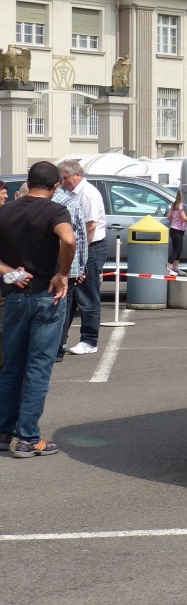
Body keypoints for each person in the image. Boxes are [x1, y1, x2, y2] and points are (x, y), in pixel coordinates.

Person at [0, 161, 76, 457]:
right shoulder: (55, 210)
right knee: (38, 368)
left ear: (29, 182)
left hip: (15, 295)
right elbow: (68, 239)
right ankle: (28, 438)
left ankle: (5, 431)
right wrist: (63, 272)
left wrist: (8, 270)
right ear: (57, 185)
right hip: (47, 294)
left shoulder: (6, 211)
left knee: (10, 368)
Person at [57, 159, 107, 356]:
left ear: (77, 175)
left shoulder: (88, 193)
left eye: (66, 178)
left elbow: (90, 227)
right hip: (78, 248)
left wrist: (80, 254)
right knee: (70, 294)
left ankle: (89, 340)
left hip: (91, 247)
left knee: (87, 294)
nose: (63, 182)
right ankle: (61, 339)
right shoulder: (69, 193)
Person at [54, 181, 89, 362]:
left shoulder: (33, 203)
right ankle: (59, 347)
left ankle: (55, 346)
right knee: (64, 308)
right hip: (67, 267)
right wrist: (81, 266)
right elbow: (79, 239)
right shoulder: (70, 204)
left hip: (41, 268)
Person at [166, 191, 187, 276]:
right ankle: (168, 269)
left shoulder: (174, 204)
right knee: (177, 250)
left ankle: (175, 269)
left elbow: (169, 216)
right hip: (177, 230)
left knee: (179, 249)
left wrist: (176, 219)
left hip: (174, 229)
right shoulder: (181, 205)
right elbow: (184, 218)